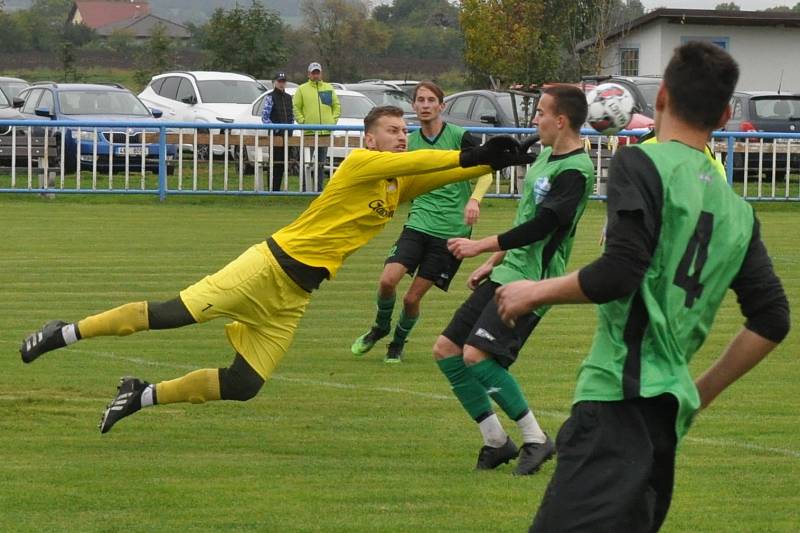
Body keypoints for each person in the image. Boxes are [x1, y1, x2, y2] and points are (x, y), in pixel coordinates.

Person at [19, 106, 536, 435]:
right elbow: (426, 161)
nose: (403, 137)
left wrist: (492, 163)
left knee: (244, 384)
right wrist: (476, 153)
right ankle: (60, 332)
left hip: (294, 295)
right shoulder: (360, 163)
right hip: (267, 267)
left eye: (406, 131)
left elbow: (437, 170)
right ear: (371, 138)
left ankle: (141, 394)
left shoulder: (396, 185)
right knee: (168, 315)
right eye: (394, 131)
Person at [494, 42, 790, 531]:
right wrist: (696, 393)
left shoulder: (642, 164)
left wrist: (534, 290)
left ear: (661, 99)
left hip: (615, 402)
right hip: (663, 417)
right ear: (723, 113)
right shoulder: (740, 212)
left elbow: (620, 271)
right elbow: (772, 318)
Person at [432, 84, 596, 475]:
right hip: (509, 269)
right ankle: (496, 441)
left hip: (533, 282)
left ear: (561, 120)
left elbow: (543, 226)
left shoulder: (576, 170)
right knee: (447, 350)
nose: (535, 119)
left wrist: (482, 246)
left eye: (541, 112)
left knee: (477, 356)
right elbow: (525, 221)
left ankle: (536, 439)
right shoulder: (542, 159)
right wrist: (494, 261)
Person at [351, 81, 493, 363]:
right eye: (420, 100)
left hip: (451, 233)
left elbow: (487, 168)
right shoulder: (408, 142)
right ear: (414, 107)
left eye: (431, 100)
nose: (425, 105)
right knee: (387, 281)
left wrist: (474, 199)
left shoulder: (460, 136)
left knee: (411, 300)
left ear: (441, 106)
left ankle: (397, 344)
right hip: (418, 223)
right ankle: (379, 327)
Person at [292, 62, 340, 191]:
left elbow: (336, 106)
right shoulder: (302, 89)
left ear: (321, 73)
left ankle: (318, 189)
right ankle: (303, 189)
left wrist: (332, 121)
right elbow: (296, 107)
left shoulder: (328, 88)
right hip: (309, 132)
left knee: (321, 164)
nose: (316, 75)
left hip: (325, 132)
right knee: (305, 162)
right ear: (309, 74)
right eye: (313, 72)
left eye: (317, 72)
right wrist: (303, 122)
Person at [261, 71, 295, 192]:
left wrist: (291, 129)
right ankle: (272, 189)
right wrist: (276, 129)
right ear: (274, 83)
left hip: (288, 136)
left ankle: (278, 189)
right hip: (276, 136)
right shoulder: (270, 97)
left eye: (283, 81)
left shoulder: (289, 98)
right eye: (279, 81)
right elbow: (265, 117)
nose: (281, 84)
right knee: (275, 163)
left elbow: (292, 116)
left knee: (283, 164)